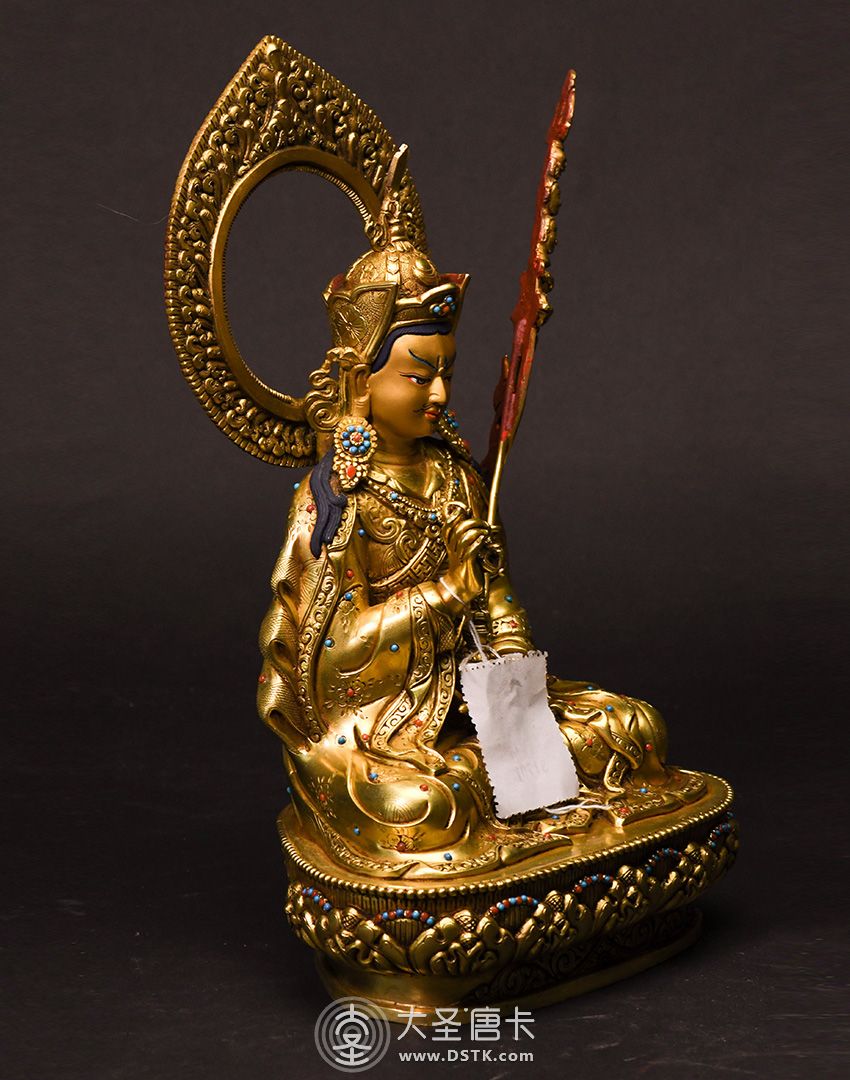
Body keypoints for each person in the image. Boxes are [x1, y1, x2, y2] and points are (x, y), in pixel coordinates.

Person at [255, 243, 706, 880]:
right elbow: (333, 665)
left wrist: (514, 685)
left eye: (447, 372)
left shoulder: (458, 477)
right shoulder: (335, 500)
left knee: (630, 727)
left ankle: (513, 784)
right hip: (381, 730)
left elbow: (498, 598)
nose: (440, 392)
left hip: (475, 702)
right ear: (360, 381)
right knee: (426, 807)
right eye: (419, 376)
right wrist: (447, 591)